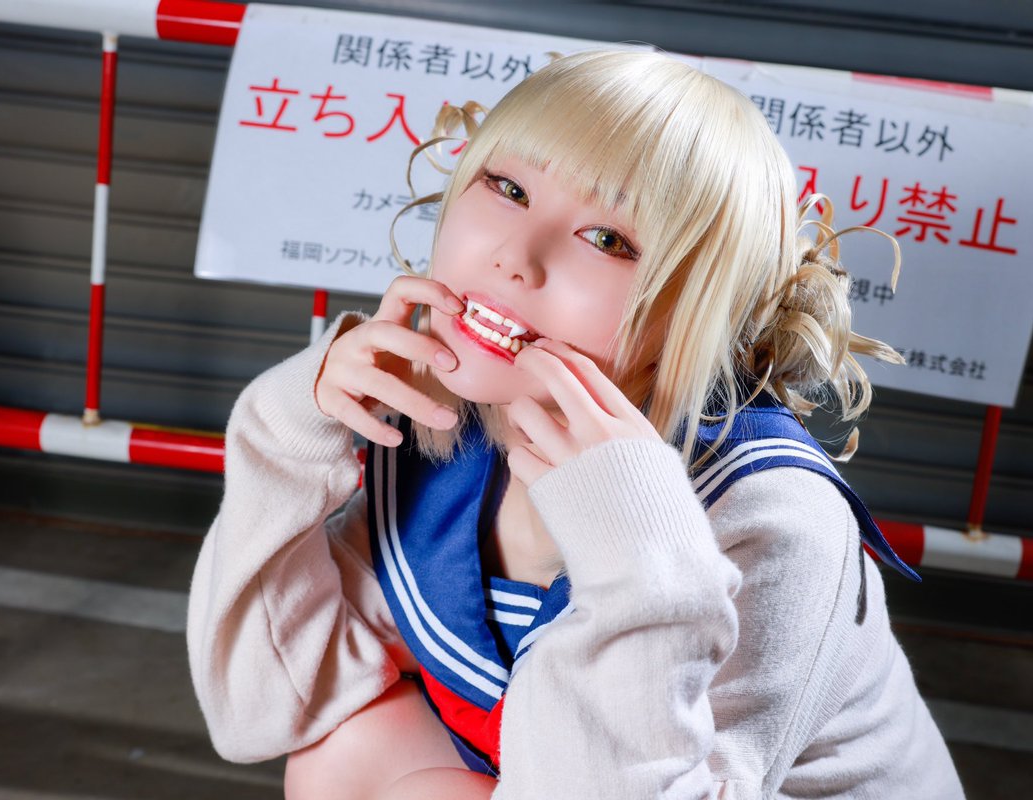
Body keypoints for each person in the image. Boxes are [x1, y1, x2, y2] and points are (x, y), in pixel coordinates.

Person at [186, 49, 965, 799]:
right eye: (507, 187)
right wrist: (289, 431)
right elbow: (265, 706)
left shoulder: (770, 515)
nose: (514, 257)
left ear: (696, 312)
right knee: (344, 749)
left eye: (608, 240)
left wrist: (640, 565)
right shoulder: (452, 419)